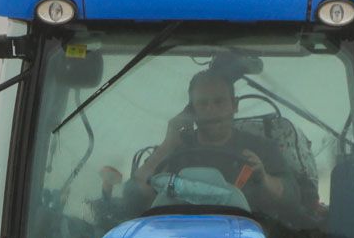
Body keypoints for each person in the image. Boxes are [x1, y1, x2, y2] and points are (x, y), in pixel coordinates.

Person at [133, 69, 317, 221]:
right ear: (191, 110)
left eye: (219, 101)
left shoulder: (261, 148)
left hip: (249, 237)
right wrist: (168, 143)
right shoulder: (175, 150)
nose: (211, 110)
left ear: (234, 105)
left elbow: (292, 198)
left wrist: (264, 178)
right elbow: (133, 196)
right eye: (202, 103)